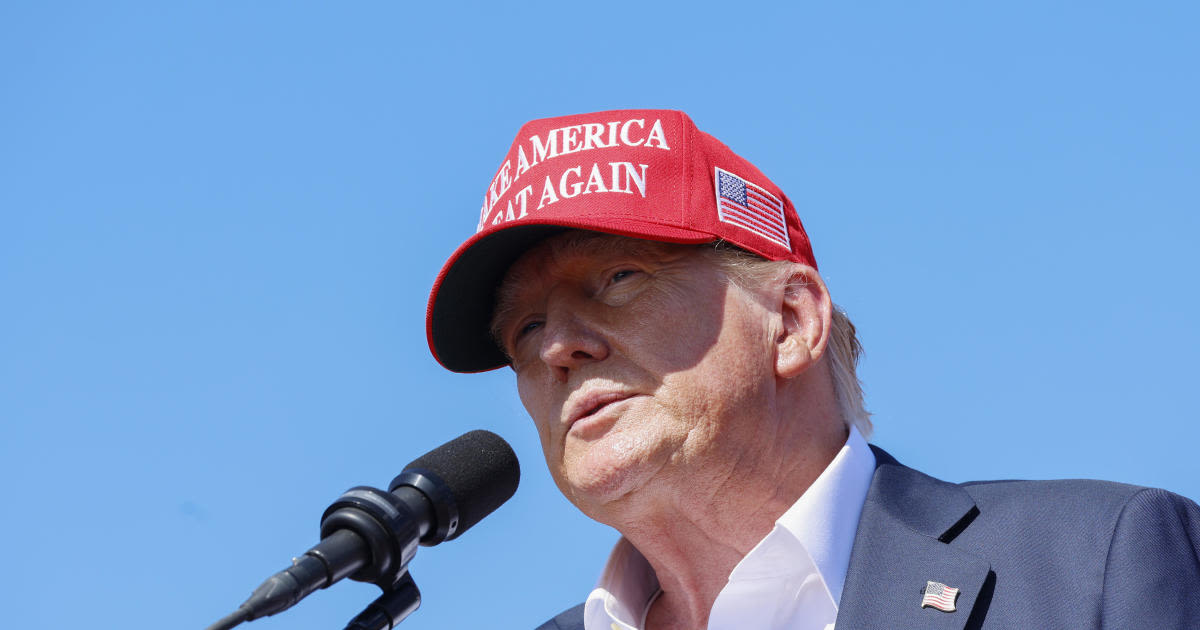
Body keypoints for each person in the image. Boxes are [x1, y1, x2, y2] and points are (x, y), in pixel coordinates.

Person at [424, 109, 1200, 630]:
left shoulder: (1095, 568)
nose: (558, 345)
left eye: (621, 279)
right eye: (523, 328)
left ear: (791, 322)